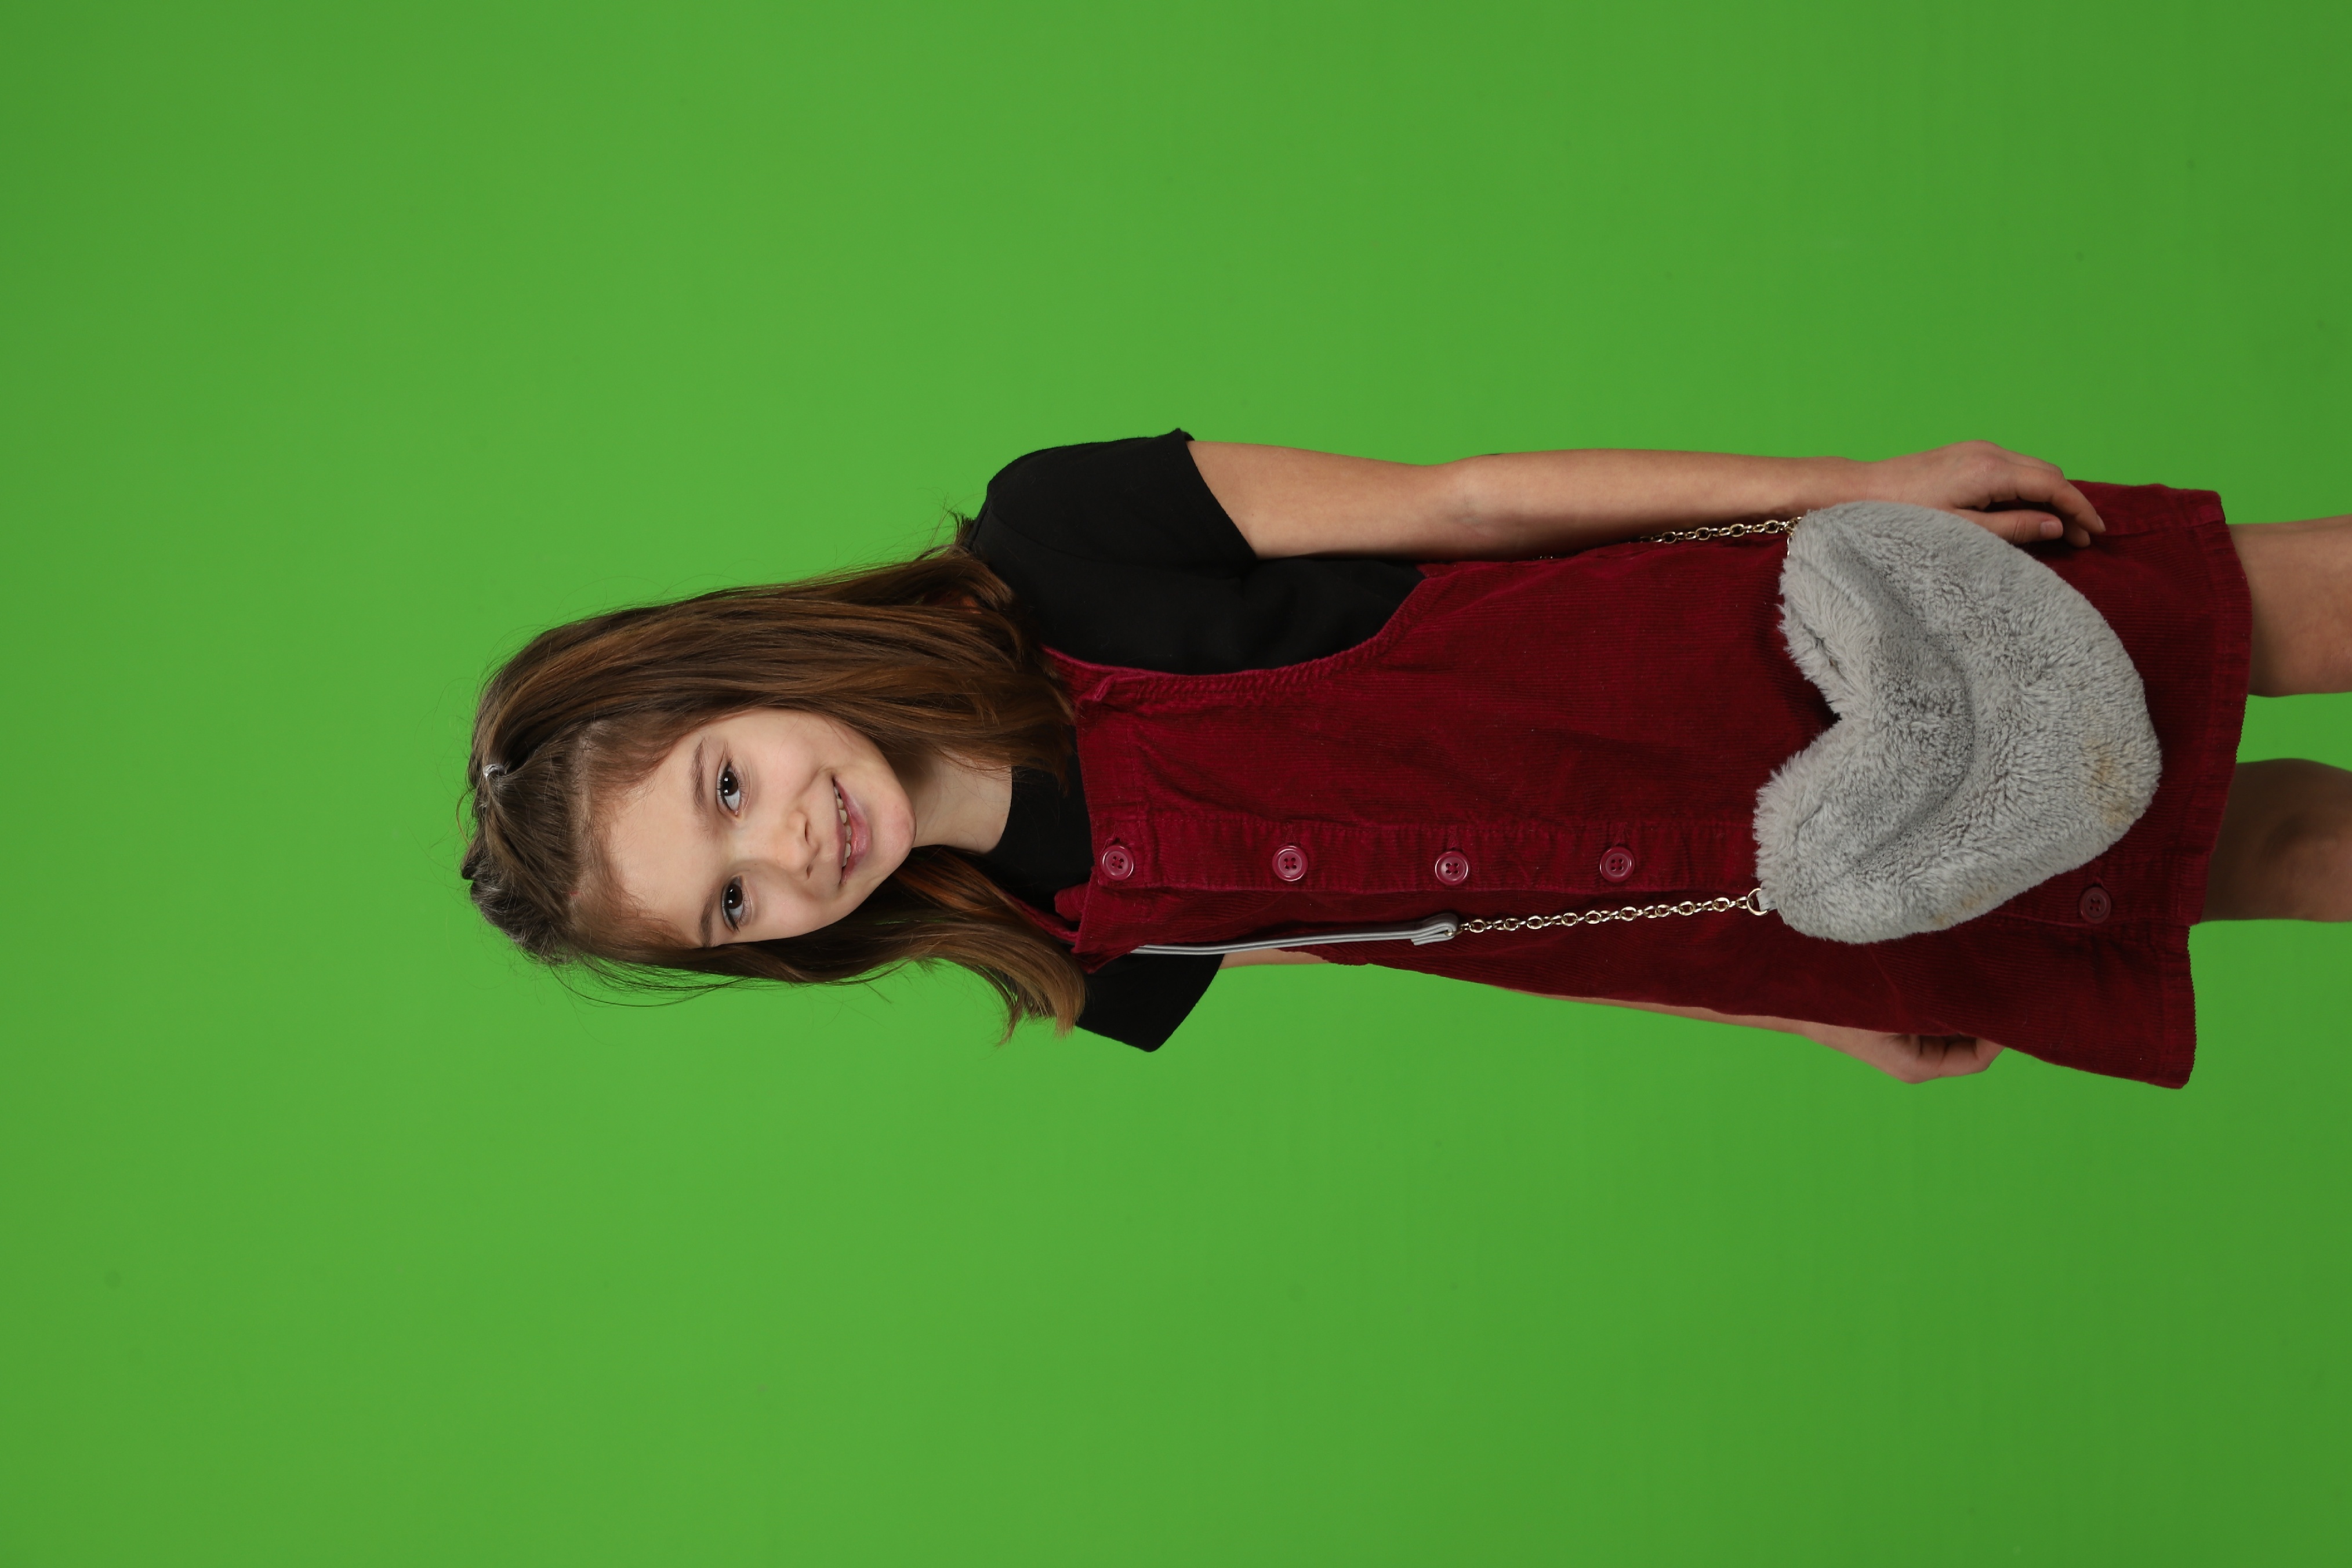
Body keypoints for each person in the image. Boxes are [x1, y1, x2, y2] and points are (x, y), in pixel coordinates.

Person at [462, 433, 2352, 1087]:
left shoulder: (1061, 539)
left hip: (1773, 649)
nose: (788, 851)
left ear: (738, 672)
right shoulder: (1070, 948)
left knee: (2273, 618)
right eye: (735, 908)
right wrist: (1803, 1010)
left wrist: (1854, 484)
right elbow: (1477, 940)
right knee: (2266, 860)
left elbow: (1471, 503)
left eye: (725, 788)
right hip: (1794, 878)